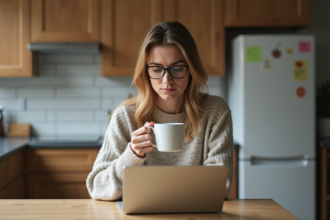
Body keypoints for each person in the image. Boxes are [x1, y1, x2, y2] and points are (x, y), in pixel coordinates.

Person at [86, 21, 234, 201]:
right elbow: (97, 187)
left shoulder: (215, 112)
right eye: (156, 69)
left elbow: (221, 186)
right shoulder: (125, 117)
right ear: (146, 72)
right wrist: (132, 155)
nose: (167, 80)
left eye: (177, 68)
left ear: (191, 69)